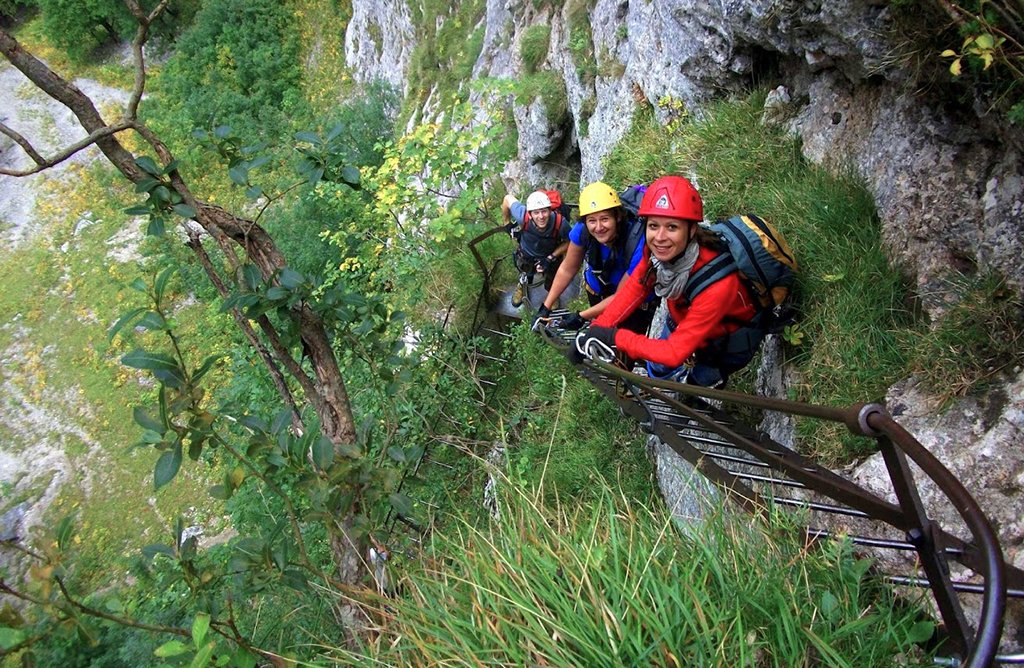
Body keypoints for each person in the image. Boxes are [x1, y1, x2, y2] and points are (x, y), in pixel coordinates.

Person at [570, 175, 762, 388]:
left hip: (726, 339)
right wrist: (596, 329)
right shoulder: (655, 252)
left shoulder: (718, 284)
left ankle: (692, 396)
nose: (659, 237)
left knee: (698, 386)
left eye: (672, 227)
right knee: (658, 365)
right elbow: (636, 287)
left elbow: (673, 352)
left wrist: (614, 337)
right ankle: (657, 383)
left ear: (691, 230)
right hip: (683, 314)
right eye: (653, 226)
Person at [534, 182, 655, 334]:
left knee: (623, 347)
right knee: (601, 334)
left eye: (604, 219)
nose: (598, 227)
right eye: (592, 221)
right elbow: (568, 268)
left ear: (617, 217)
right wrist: (546, 306)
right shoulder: (583, 229)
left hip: (632, 303)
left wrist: (581, 316)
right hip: (598, 291)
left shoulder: (638, 242)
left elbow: (622, 297)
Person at [502, 190, 571, 308]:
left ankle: (552, 294)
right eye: (536, 213)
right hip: (527, 252)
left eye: (544, 211)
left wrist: (551, 257)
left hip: (550, 254)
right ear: (530, 214)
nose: (541, 216)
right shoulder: (522, 215)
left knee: (552, 276)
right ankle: (522, 286)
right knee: (526, 271)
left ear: (550, 210)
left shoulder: (560, 223)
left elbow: (570, 242)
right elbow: (507, 199)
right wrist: (507, 223)